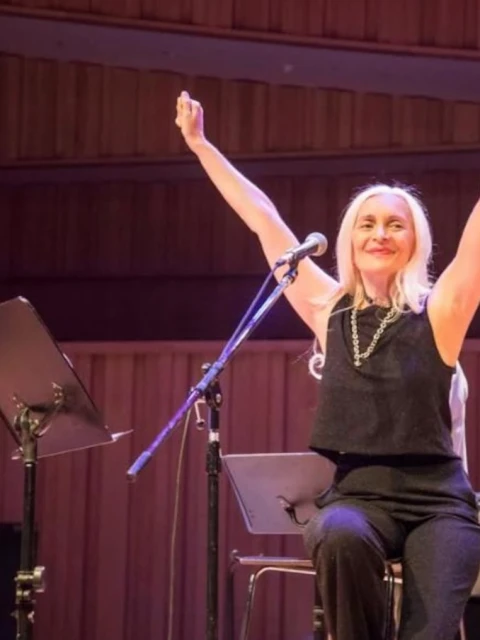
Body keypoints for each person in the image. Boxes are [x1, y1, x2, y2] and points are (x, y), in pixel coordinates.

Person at [175, 90, 480, 640]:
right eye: (368, 224)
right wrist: (201, 146)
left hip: (438, 503)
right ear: (349, 238)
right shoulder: (327, 309)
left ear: (415, 241)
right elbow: (263, 218)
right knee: (336, 534)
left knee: (432, 627)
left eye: (395, 224)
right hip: (358, 497)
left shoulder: (440, 313)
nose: (380, 234)